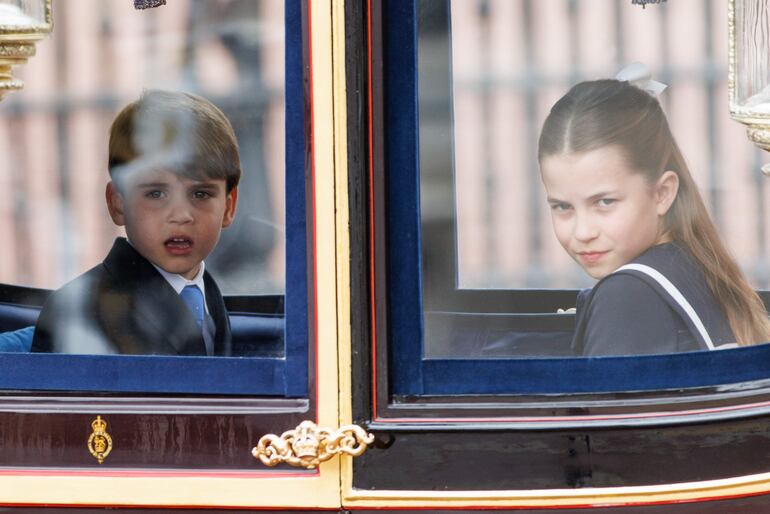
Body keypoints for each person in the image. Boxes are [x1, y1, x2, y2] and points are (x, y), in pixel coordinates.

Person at [538, 67, 770, 356]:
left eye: (605, 202)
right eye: (563, 207)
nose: (583, 232)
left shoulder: (627, 296)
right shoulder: (695, 265)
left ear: (662, 193)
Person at [32, 90, 240, 355]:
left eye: (201, 194)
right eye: (156, 193)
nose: (181, 215)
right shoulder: (80, 308)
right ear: (118, 203)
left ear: (228, 207)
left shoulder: (209, 297)